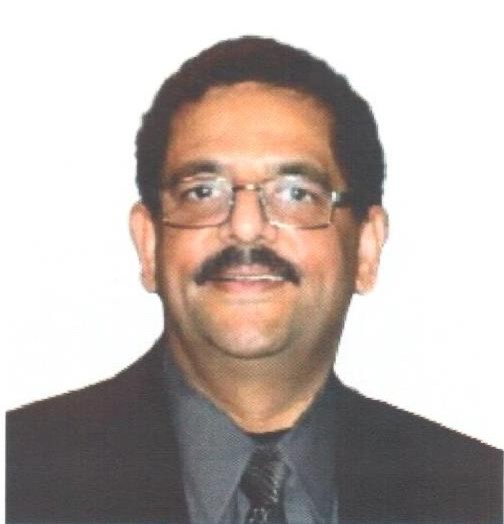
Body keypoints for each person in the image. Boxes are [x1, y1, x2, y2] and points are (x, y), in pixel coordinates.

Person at [6, 36, 502, 524]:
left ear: (367, 248)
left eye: (297, 193)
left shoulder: (479, 495)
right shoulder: (23, 475)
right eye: (202, 191)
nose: (245, 227)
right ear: (149, 244)